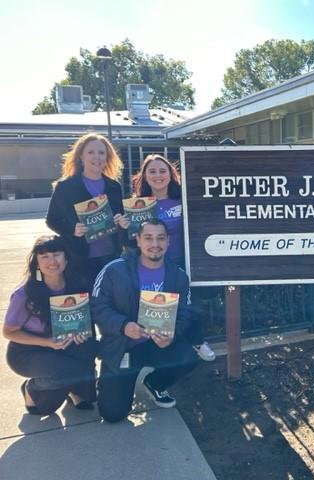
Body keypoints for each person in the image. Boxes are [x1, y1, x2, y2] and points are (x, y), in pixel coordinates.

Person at [91, 219, 198, 423]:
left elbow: (185, 314)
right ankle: (109, 381)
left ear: (168, 242)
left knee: (187, 358)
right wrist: (123, 326)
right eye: (148, 238)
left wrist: (172, 335)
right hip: (124, 346)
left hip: (157, 344)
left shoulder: (178, 277)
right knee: (113, 414)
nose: (154, 244)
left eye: (160, 238)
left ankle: (155, 383)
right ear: (138, 240)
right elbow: (97, 306)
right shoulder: (114, 270)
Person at [131, 154, 216, 362]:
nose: (158, 175)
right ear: (145, 176)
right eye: (152, 171)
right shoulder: (138, 206)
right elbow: (132, 241)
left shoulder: (183, 198)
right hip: (153, 265)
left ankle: (197, 341)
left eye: (162, 170)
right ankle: (160, 348)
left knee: (189, 304)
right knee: (159, 305)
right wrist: (124, 227)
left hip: (183, 262)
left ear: (171, 174)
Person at [3, 236, 96, 415]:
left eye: (56, 254)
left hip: (63, 346)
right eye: (44, 256)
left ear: (66, 258)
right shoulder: (24, 294)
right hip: (27, 351)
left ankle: (75, 390)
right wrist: (47, 342)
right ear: (36, 262)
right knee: (45, 408)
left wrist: (82, 333)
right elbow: (8, 332)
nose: (52, 261)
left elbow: (81, 322)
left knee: (88, 348)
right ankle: (31, 389)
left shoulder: (76, 286)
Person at [46, 133, 130, 283]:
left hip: (111, 257)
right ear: (80, 156)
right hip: (79, 258)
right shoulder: (65, 187)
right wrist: (72, 229)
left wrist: (122, 222)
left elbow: (120, 216)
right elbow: (52, 220)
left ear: (107, 157)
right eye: (91, 152)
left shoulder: (114, 187)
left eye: (101, 153)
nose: (96, 157)